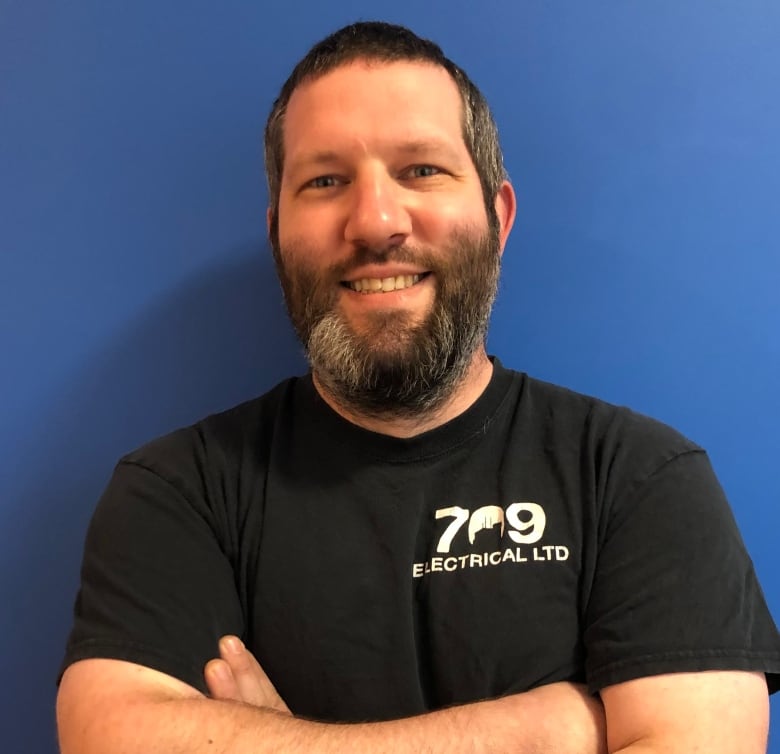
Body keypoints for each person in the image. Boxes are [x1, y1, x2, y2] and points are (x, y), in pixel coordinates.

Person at [56, 20, 779, 754]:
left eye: (422, 170)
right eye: (326, 181)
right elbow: (110, 734)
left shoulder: (637, 477)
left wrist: (280, 740)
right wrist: (541, 732)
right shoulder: (180, 492)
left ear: (497, 219)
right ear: (278, 233)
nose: (375, 222)